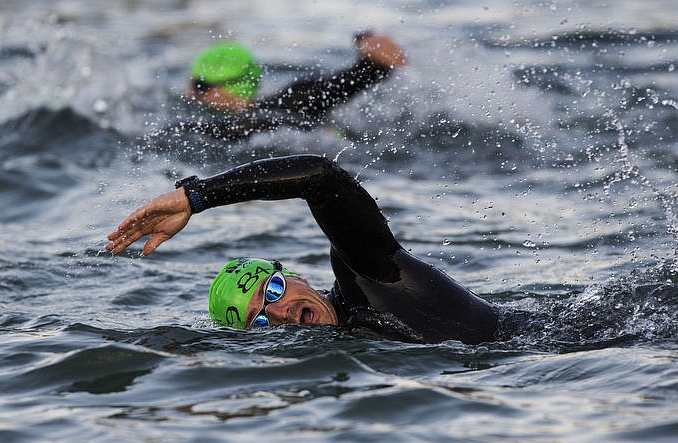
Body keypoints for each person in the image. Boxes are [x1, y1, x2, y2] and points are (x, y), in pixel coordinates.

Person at [106, 155, 501, 344]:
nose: (279, 314)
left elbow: (321, 178)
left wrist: (197, 196)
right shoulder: (340, 342)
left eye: (272, 291)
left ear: (294, 277)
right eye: (260, 321)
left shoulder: (371, 276)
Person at [171, 32, 407, 141]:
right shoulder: (288, 101)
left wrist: (367, 51)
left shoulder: (291, 102)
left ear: (232, 86)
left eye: (201, 86)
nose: (190, 93)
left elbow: (341, 85)